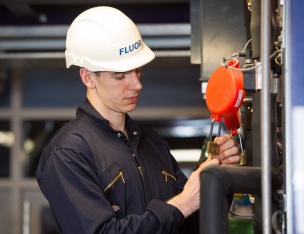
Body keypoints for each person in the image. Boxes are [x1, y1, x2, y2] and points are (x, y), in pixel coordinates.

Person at [36, 6, 241, 234]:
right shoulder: (68, 153)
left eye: (138, 71)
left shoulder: (152, 143)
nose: (136, 85)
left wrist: (216, 177)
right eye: (120, 76)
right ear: (88, 77)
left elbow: (191, 226)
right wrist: (183, 203)